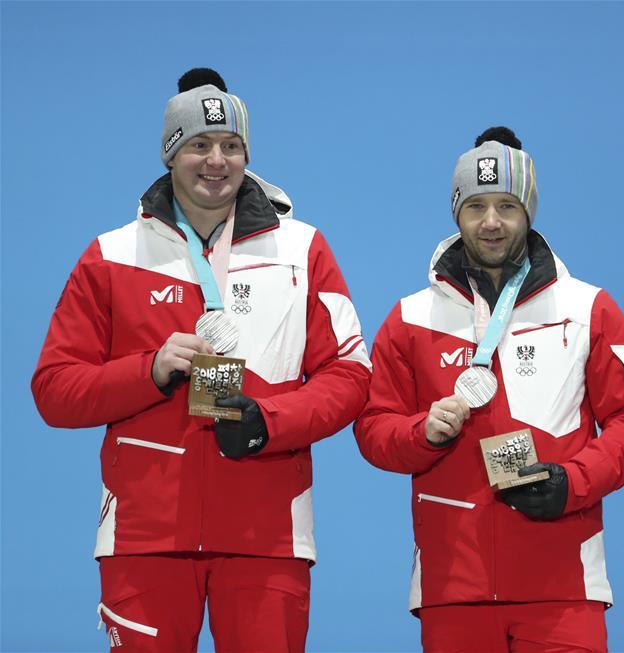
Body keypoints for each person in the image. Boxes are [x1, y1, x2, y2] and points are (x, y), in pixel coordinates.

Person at [32, 68, 371, 652]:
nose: (217, 160)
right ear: (170, 153)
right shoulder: (112, 255)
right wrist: (151, 370)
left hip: (267, 535)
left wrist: (272, 423)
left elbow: (350, 375)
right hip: (144, 535)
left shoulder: (302, 248)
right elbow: (55, 389)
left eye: (231, 146)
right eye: (199, 145)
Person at [354, 127, 624, 653]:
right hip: (454, 589)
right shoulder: (411, 317)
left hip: (563, 586)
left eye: (506, 206)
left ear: (529, 212)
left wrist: (573, 481)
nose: (491, 222)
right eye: (476, 206)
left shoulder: (587, 308)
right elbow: (371, 427)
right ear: (456, 212)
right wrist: (421, 432)